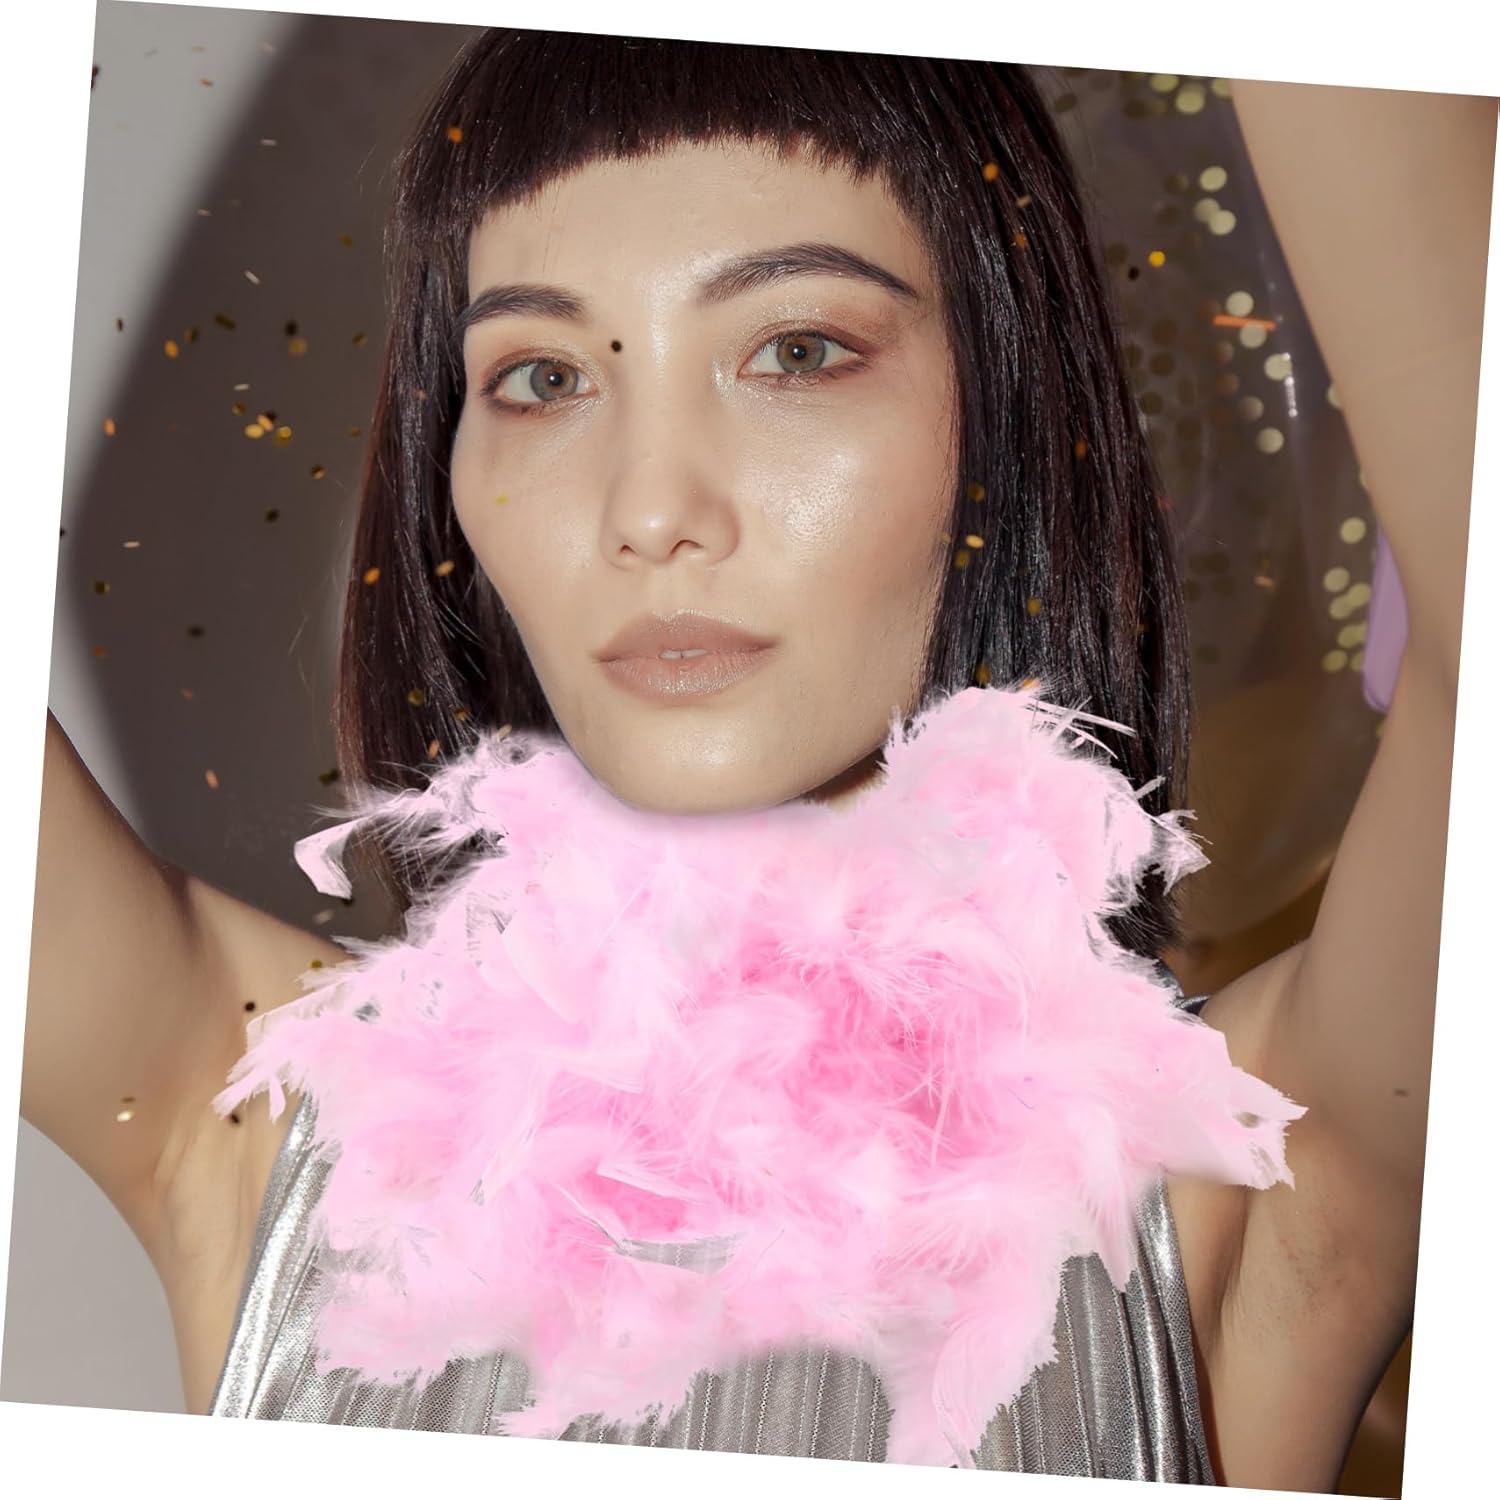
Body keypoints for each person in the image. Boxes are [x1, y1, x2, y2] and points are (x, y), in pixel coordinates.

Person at [21, 29, 1487, 1492]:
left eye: (795, 352)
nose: (651, 509)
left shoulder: (1253, 1161)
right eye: (542, 375)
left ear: (1010, 412)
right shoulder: (252, 1106)